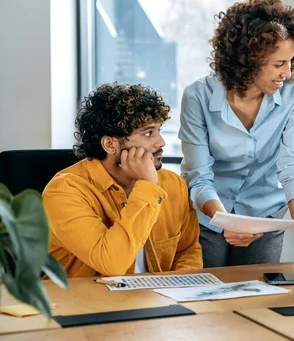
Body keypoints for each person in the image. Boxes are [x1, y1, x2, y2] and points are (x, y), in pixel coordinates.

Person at [179, 0, 294, 267]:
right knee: (208, 295)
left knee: (257, 295)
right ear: (247, 60)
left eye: (291, 61)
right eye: (278, 64)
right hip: (210, 216)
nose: (287, 73)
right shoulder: (198, 97)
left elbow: (293, 166)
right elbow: (199, 177)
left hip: (263, 216)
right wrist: (227, 222)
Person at [43, 83, 203, 277]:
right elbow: (112, 264)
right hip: (88, 303)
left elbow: (188, 251)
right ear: (110, 144)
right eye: (148, 132)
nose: (161, 142)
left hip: (157, 300)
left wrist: (179, 290)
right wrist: (146, 187)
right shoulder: (65, 191)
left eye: (159, 130)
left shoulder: (173, 184)